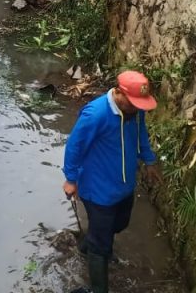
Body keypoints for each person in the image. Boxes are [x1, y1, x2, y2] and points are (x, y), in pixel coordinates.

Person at [63, 71, 163, 293]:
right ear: (118, 93)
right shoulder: (95, 115)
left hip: (124, 186)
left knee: (119, 225)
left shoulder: (135, 113)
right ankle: (98, 285)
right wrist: (71, 179)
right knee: (101, 245)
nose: (137, 108)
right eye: (134, 103)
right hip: (98, 191)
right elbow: (74, 146)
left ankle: (86, 246)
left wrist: (149, 161)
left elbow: (140, 135)